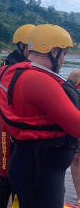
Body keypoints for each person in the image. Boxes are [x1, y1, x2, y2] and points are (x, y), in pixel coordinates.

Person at [0, 24, 80, 208]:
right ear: (53, 51)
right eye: (64, 54)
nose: (64, 59)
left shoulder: (18, 72)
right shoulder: (36, 79)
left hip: (32, 165)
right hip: (40, 174)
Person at [0, 24, 36, 208]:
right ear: (22, 46)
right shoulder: (11, 66)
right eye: (31, 47)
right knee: (6, 178)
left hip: (21, 128)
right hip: (8, 130)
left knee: (21, 176)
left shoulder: (26, 64)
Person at [68, 70, 80, 206]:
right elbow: (65, 96)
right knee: (76, 159)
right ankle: (79, 196)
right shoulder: (76, 75)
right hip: (76, 123)